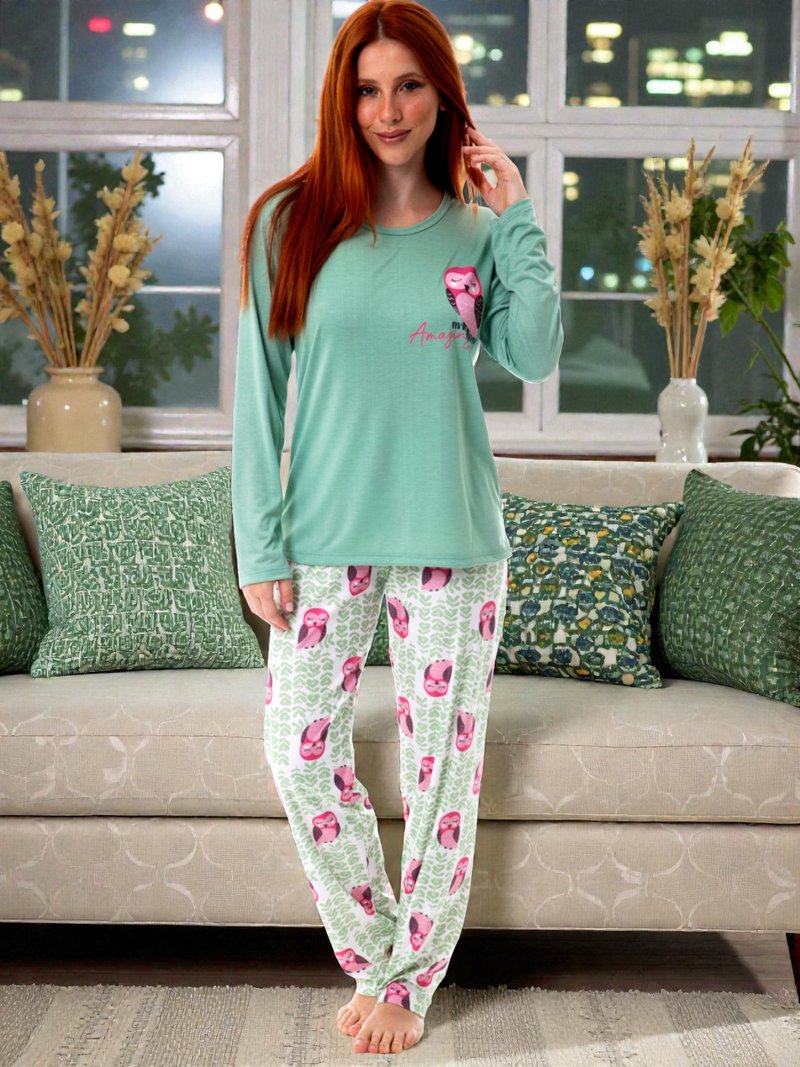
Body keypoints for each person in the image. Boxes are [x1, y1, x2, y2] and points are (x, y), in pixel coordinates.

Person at [231, 0, 563, 1055]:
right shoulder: (288, 223)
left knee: (439, 777)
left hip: (453, 538)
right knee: (296, 751)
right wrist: (259, 545)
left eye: (409, 85)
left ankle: (408, 983)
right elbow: (256, 401)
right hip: (321, 538)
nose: (387, 109)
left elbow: (534, 352)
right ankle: (380, 953)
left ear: (440, 95)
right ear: (343, 99)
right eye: (368, 88)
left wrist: (517, 214)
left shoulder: (477, 231)